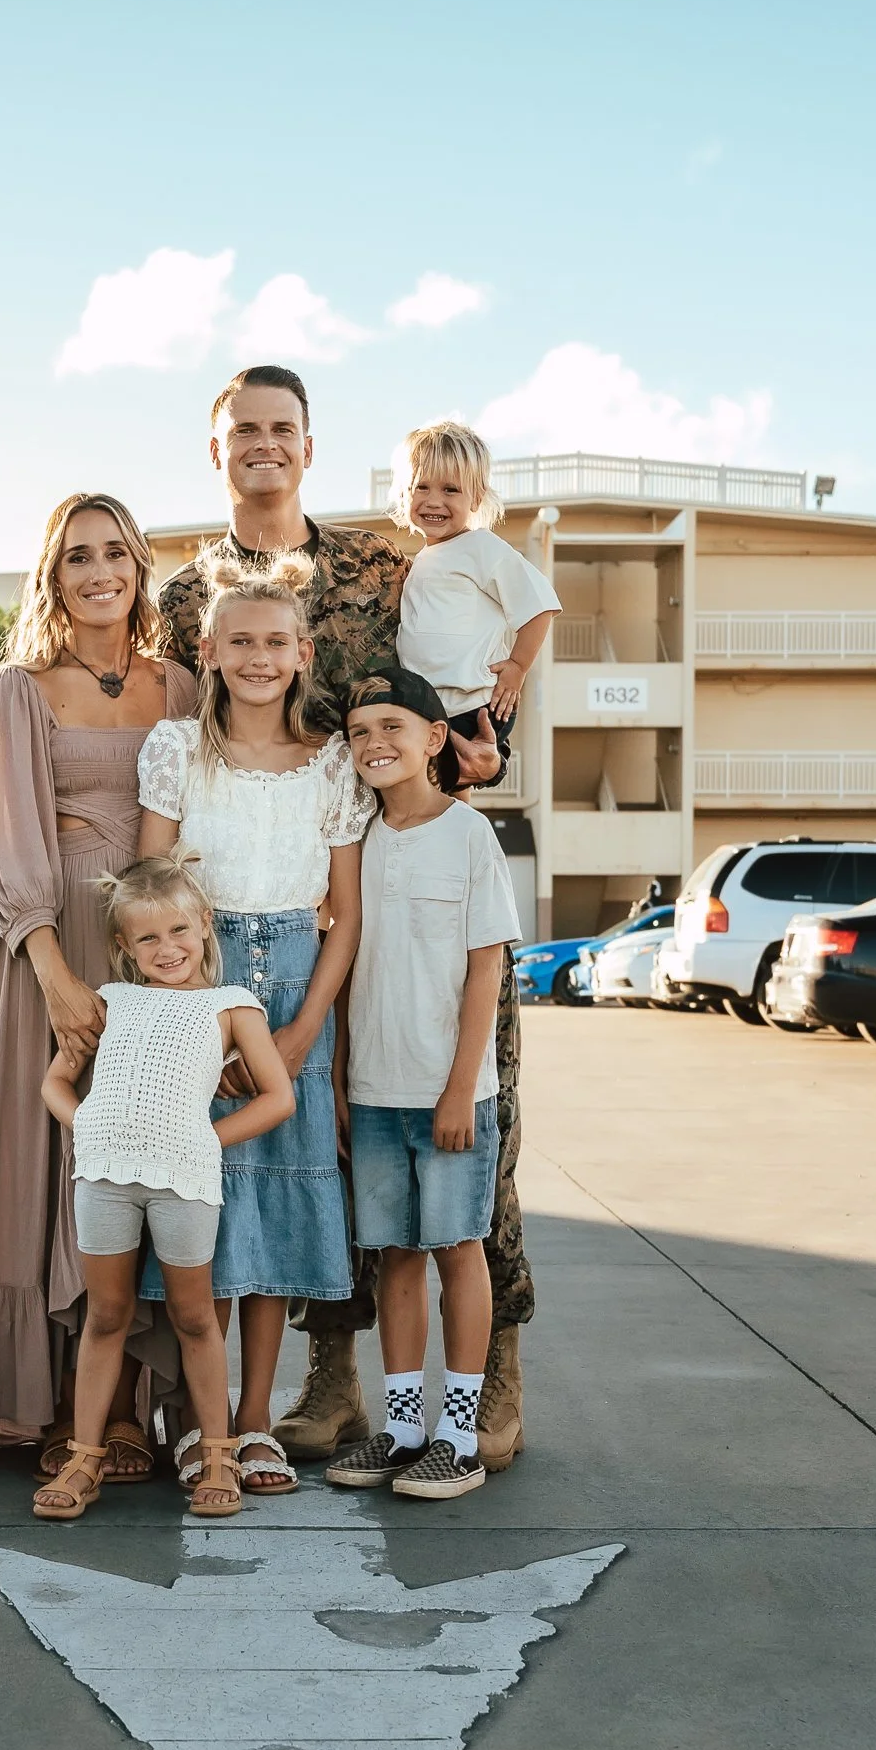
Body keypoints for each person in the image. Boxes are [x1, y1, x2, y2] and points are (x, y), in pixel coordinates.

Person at [157, 364, 535, 1474]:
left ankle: (494, 1368)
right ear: (215, 448)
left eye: (283, 429)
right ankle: (332, 1380)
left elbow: (463, 673)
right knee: (328, 1144)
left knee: (461, 1121)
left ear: (309, 446)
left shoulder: (382, 559)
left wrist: (486, 743)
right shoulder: (186, 599)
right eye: (244, 432)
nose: (263, 446)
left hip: (411, 872)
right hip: (266, 901)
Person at [0, 492, 196, 1469]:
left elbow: (187, 819)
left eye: (114, 553)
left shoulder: (179, 689)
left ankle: (123, 1405)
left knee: (131, 1162)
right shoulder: (15, 690)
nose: (98, 572)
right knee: (39, 1162)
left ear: (139, 565)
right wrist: (53, 969)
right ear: (51, 576)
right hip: (41, 956)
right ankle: (43, 1400)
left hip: (146, 948)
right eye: (76, 557)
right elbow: (8, 840)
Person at [137, 547, 374, 1488]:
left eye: (277, 641)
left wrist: (307, 1024)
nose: (259, 657)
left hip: (294, 993)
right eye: (240, 640)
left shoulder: (331, 766)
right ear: (208, 648)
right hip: (200, 983)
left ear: (304, 653)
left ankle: (255, 1416)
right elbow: (155, 887)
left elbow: (346, 913)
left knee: (273, 1204)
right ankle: (202, 1425)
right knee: (208, 1202)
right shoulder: (174, 750)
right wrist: (201, 1013)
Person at [32, 853, 294, 1522]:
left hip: (184, 1180)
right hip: (103, 1179)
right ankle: (84, 1455)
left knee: (194, 1318)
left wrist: (207, 1140)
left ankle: (216, 1453)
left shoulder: (230, 1007)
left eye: (178, 930)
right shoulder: (111, 1000)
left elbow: (277, 1098)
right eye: (146, 937)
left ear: (204, 925)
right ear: (124, 946)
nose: (166, 948)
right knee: (108, 1317)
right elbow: (54, 1084)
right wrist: (82, 1122)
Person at [326, 668, 520, 1500]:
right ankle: (404, 1429)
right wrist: (338, 1081)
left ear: (435, 738)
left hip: (451, 1095)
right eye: (360, 729)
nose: (375, 742)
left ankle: (458, 1434)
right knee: (393, 1258)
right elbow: (341, 967)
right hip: (372, 1089)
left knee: (455, 1249)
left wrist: (458, 1090)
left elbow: (486, 972)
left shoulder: (467, 836)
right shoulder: (353, 841)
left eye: (393, 726)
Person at [389, 420, 560, 793]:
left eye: (451, 490)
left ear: (476, 499)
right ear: (404, 493)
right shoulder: (422, 559)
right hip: (437, 706)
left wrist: (517, 667)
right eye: (422, 487)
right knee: (435, 796)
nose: (434, 500)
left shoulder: (482, 548)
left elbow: (540, 605)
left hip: (475, 705)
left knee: (437, 794)